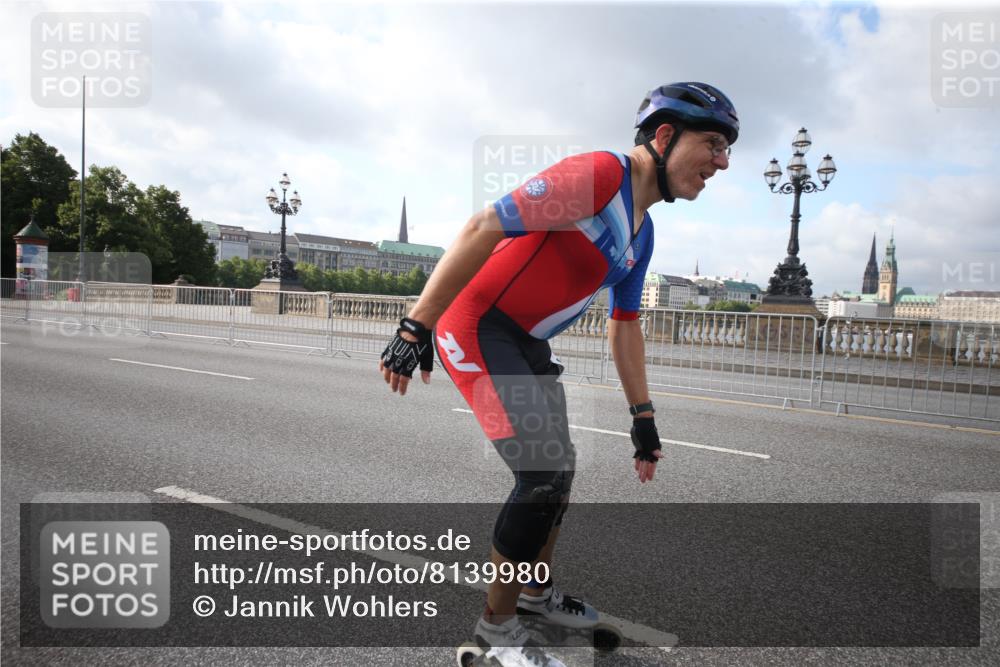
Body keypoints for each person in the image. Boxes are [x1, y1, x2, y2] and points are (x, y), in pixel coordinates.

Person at [380, 82, 739, 667]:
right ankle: (494, 635)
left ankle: (533, 595)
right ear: (665, 136)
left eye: (728, 150)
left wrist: (643, 418)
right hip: (477, 326)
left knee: (560, 474)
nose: (722, 161)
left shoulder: (643, 233)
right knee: (541, 474)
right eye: (714, 143)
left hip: (528, 344)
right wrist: (416, 324)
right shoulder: (600, 176)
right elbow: (482, 227)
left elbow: (625, 327)